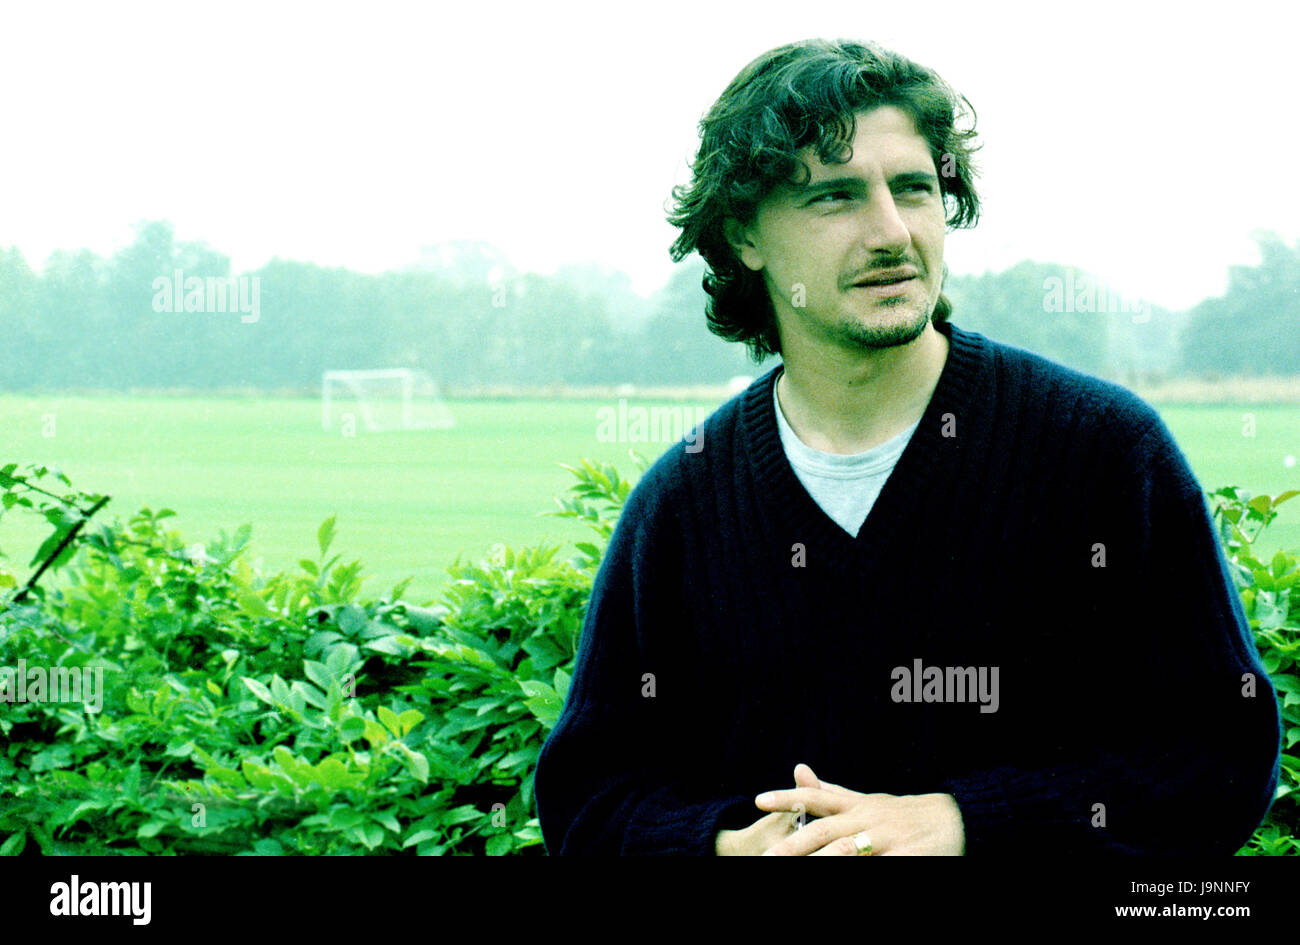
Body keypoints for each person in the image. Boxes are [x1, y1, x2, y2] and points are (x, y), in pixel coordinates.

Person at [533, 37, 1282, 855]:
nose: (891, 230)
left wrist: (966, 821)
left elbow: (1218, 754)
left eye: (915, 188)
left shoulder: (1102, 453)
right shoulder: (679, 505)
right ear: (745, 234)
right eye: (836, 197)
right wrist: (725, 845)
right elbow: (587, 798)